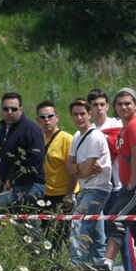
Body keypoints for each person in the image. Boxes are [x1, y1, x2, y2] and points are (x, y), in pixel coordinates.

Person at [100, 88, 136, 271]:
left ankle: (107, 262)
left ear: (135, 105)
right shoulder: (126, 127)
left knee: (117, 218)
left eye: (128, 103)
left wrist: (132, 183)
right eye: (120, 104)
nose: (124, 107)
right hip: (133, 183)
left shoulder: (135, 125)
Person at [87, 88, 136, 271]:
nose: (99, 109)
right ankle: (102, 269)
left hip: (119, 186)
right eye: (95, 105)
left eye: (102, 105)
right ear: (90, 109)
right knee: (100, 233)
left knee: (122, 231)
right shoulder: (89, 130)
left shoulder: (118, 125)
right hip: (99, 187)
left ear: (108, 106)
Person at [65, 98, 111, 269]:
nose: (79, 118)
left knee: (79, 222)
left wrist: (77, 169)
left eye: (82, 114)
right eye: (75, 114)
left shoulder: (95, 136)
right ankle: (98, 261)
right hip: (85, 188)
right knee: (96, 228)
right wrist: (79, 168)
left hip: (97, 188)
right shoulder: (77, 136)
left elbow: (84, 170)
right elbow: (69, 167)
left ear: (89, 114)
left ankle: (77, 262)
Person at [0, 92, 45, 212]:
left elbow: (35, 160)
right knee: (25, 226)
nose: (9, 112)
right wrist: (1, 185)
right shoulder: (1, 131)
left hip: (30, 186)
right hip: (8, 188)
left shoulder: (31, 130)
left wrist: (12, 179)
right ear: (1, 110)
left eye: (14, 109)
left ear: (21, 109)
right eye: (6, 109)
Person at [35, 100, 77, 251]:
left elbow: (73, 170)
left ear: (57, 118)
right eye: (42, 117)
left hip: (63, 194)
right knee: (48, 236)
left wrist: (69, 195)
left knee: (63, 235)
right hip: (44, 195)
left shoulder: (67, 139)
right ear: (37, 120)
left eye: (50, 116)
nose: (46, 120)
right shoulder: (38, 138)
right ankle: (52, 268)